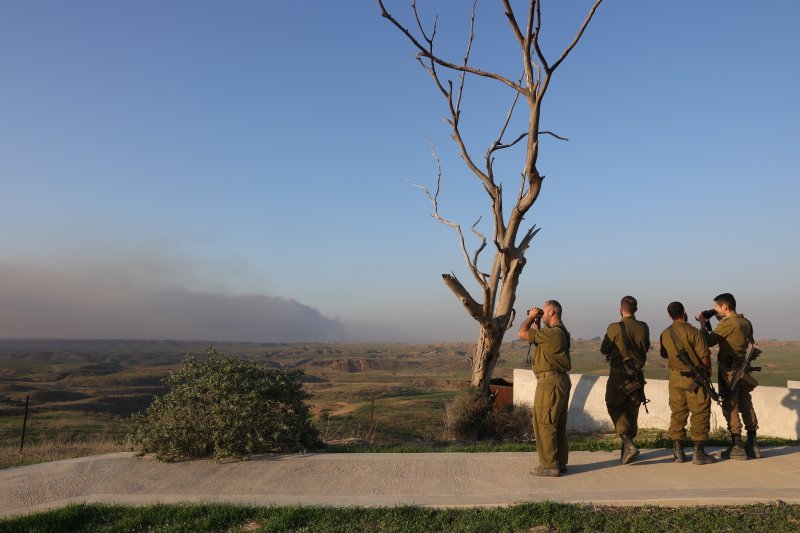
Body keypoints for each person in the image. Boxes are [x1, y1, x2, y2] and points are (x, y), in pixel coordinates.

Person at [695, 292, 760, 459]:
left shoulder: (728, 324)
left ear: (725, 306)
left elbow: (707, 342)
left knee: (730, 404)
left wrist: (703, 323)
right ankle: (753, 444)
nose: (715, 309)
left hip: (728, 370)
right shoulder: (746, 322)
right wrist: (717, 320)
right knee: (746, 403)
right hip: (743, 368)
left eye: (717, 306)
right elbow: (743, 336)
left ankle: (737, 444)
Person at [517, 300, 571, 477]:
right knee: (557, 424)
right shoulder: (559, 332)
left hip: (549, 383)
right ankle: (559, 462)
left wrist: (531, 317)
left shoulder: (553, 334)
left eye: (544, 312)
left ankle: (548, 466)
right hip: (559, 381)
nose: (542, 314)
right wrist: (538, 324)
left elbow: (522, 333)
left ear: (552, 313)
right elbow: (542, 341)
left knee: (544, 423)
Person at [660, 301, 716, 465]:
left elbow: (664, 354)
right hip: (695, 378)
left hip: (675, 378)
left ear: (669, 316)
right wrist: (705, 374)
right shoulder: (693, 332)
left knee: (678, 412)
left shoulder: (665, 333)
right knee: (699, 412)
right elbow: (705, 357)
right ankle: (699, 453)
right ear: (684, 312)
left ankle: (678, 452)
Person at [600, 295, 650, 464]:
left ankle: (628, 443)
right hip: (637, 375)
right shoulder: (644, 327)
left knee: (614, 406)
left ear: (621, 310)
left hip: (619, 376)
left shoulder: (615, 327)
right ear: (635, 310)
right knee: (632, 409)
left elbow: (604, 348)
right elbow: (645, 347)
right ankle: (627, 451)